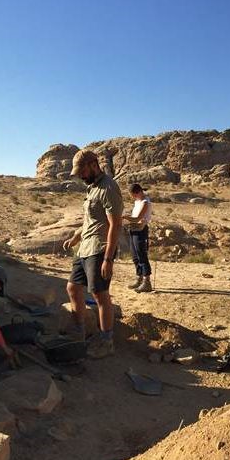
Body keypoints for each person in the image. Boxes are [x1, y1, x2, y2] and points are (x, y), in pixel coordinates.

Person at [62, 150, 124, 358]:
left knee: (99, 295)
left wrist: (108, 258)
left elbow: (115, 224)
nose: (80, 175)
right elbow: (90, 221)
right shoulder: (92, 188)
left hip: (99, 248)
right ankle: (79, 329)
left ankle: (107, 341)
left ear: (93, 164)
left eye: (82, 171)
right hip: (84, 247)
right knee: (72, 287)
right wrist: (75, 238)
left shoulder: (108, 187)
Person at [122, 183, 153, 292]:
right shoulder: (137, 201)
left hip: (141, 231)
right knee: (135, 256)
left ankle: (146, 282)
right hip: (134, 230)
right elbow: (135, 218)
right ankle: (139, 278)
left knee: (142, 255)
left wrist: (124, 217)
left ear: (138, 192)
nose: (132, 197)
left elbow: (137, 218)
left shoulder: (145, 202)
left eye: (133, 195)